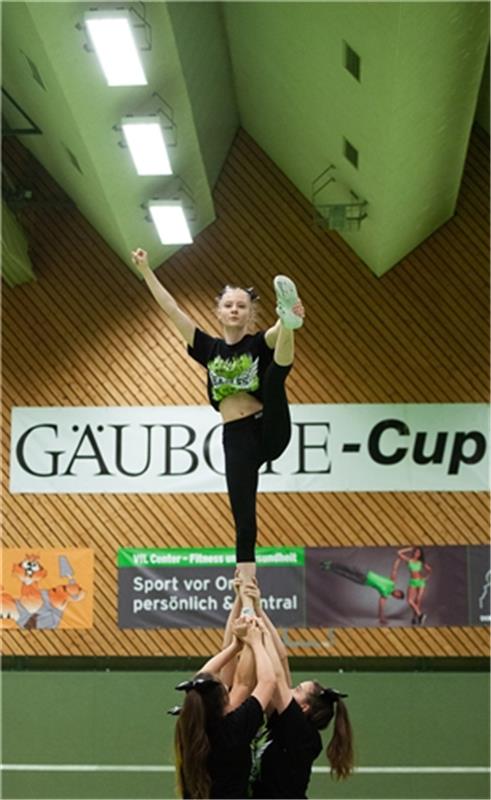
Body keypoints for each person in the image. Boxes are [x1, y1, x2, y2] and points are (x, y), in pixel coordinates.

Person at [131, 248, 305, 589]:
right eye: (229, 305)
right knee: (242, 510)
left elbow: (271, 339)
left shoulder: (257, 342)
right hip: (236, 438)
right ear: (220, 313)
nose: (235, 309)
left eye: (242, 305)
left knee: (273, 377)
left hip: (269, 428)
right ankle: (247, 580)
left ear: (249, 313)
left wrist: (285, 323)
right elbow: (171, 309)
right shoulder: (208, 348)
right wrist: (146, 269)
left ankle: (289, 318)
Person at [237, 577, 354, 799]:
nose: (291, 689)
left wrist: (257, 637)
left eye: (298, 689)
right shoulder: (284, 722)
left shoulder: (301, 734)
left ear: (304, 708)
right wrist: (259, 610)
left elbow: (278, 677)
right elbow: (281, 658)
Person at [173, 617, 275, 799]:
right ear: (223, 702)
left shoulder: (189, 726)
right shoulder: (234, 728)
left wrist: (235, 646)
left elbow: (200, 682)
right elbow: (265, 682)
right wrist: (255, 642)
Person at [321, 559, 404, 625]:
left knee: (346, 575)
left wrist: (381, 618)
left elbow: (381, 606)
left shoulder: (385, 595)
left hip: (363, 582)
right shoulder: (392, 582)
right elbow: (395, 569)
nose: (396, 595)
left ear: (395, 597)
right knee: (347, 568)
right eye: (398, 594)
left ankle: (329, 568)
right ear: (398, 590)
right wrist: (399, 559)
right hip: (366, 573)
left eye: (397, 597)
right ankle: (331, 563)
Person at [397, 546, 432, 624]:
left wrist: (426, 577)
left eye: (419, 553)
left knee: (418, 601)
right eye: (416, 552)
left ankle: (415, 618)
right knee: (410, 600)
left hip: (421, 582)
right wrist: (409, 548)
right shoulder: (409, 560)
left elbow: (429, 569)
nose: (417, 553)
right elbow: (399, 552)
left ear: (420, 554)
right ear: (414, 552)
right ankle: (420, 615)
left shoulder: (421, 562)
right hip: (413, 582)